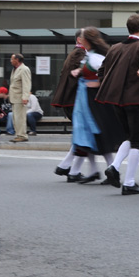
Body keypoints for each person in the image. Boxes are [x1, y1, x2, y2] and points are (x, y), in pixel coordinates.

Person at [96, 13, 139, 194]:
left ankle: (114, 167)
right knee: (138, 142)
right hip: (136, 99)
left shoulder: (115, 48)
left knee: (130, 137)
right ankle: (129, 183)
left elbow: (101, 72)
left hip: (116, 101)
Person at [66, 27, 122, 184]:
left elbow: (109, 75)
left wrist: (96, 83)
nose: (80, 40)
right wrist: (79, 71)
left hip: (95, 101)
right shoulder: (90, 56)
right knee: (88, 136)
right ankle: (95, 170)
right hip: (86, 100)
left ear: (88, 41)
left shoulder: (96, 58)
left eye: (82, 38)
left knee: (98, 134)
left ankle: (109, 169)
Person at [52, 32, 88, 176]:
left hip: (71, 101)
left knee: (83, 135)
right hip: (74, 101)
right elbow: (86, 72)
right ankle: (68, 167)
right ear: (79, 39)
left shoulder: (76, 52)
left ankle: (69, 167)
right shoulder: (79, 53)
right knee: (84, 135)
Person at [8, 53, 32, 143]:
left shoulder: (24, 69)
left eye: (12, 59)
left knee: (20, 117)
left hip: (20, 98)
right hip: (15, 97)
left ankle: (22, 135)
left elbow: (26, 84)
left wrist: (25, 97)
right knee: (16, 117)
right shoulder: (15, 69)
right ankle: (18, 134)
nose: (10, 61)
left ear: (17, 60)